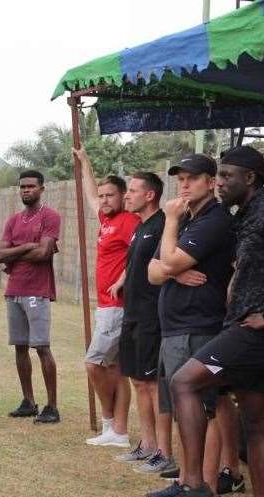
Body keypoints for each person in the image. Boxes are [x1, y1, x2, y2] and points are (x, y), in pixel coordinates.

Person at [155, 146, 264, 497]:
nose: (220, 184)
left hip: (260, 329)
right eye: (218, 177)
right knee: (255, 421)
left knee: (184, 381)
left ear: (250, 178)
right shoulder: (244, 217)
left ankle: (197, 487)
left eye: (226, 177)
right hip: (248, 324)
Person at [144, 154, 241, 497]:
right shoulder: (186, 220)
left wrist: (169, 224)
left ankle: (205, 488)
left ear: (210, 182)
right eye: (180, 178)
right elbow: (152, 272)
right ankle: (187, 480)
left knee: (204, 408)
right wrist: (174, 269)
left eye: (192, 178)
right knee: (181, 409)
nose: (183, 185)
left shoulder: (213, 221)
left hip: (199, 325)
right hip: (174, 326)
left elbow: (165, 261)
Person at [72, 148, 140, 447]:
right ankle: (119, 433)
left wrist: (122, 280)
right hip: (105, 305)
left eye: (110, 195)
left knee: (94, 363)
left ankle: (109, 420)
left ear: (123, 196)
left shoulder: (128, 221)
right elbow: (89, 194)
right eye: (102, 196)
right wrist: (85, 162)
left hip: (117, 305)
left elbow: (139, 255)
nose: (104, 200)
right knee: (116, 369)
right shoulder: (105, 220)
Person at [112, 170, 176, 472]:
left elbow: (169, 264)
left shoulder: (164, 224)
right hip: (132, 313)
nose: (127, 195)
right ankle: (147, 445)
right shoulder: (140, 227)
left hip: (153, 317)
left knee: (152, 384)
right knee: (138, 380)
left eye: (133, 191)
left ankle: (164, 451)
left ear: (149, 195)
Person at [0, 170, 61, 424]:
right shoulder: (13, 220)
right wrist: (26, 247)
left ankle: (52, 406)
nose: (26, 190)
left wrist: (14, 252)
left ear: (42, 189)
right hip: (14, 289)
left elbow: (44, 254)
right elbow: (0, 255)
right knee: (20, 347)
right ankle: (28, 401)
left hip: (37, 290)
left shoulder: (50, 216)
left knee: (42, 347)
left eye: (31, 186)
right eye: (22, 187)